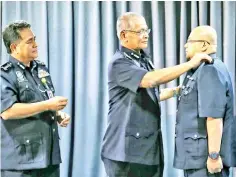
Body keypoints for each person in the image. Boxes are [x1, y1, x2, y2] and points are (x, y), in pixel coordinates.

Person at [101, 12, 212, 177]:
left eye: (147, 30)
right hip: (125, 153)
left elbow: (145, 96)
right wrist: (191, 64)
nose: (145, 35)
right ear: (124, 35)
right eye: (140, 32)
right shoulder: (119, 62)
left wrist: (176, 91)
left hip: (147, 150)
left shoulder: (142, 59)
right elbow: (150, 80)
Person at [1, 20, 70, 177]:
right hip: (21, 161)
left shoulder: (41, 69)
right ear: (14, 47)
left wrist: (58, 115)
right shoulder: (4, 75)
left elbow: (45, 101)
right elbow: (7, 111)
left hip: (48, 156)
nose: (36, 44)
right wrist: (47, 105)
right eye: (30, 41)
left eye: (35, 39)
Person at [173, 25, 236, 177]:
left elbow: (214, 116)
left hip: (204, 160)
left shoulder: (210, 69)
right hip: (196, 157)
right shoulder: (201, 69)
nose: (185, 45)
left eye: (189, 41)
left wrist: (213, 156)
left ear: (203, 45)